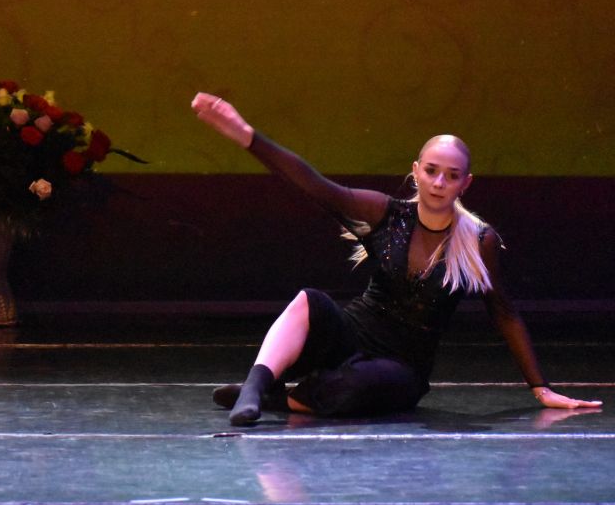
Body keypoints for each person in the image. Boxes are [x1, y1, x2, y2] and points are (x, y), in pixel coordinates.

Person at [191, 92, 601, 425]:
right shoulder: (384, 213)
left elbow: (503, 312)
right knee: (308, 301)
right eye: (432, 170)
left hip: (401, 367)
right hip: (352, 335)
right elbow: (316, 186)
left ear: (466, 183)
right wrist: (247, 136)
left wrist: (540, 388)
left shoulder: (479, 241)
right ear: (416, 171)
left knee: (360, 386)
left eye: (452, 175)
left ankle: (278, 399)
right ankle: (254, 387)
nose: (439, 182)